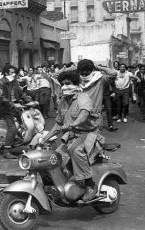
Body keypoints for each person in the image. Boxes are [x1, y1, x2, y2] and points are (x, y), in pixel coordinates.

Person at [47, 70, 105, 202]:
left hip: (88, 134)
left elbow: (84, 114)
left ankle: (90, 185)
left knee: (75, 150)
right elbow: (57, 124)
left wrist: (73, 124)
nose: (65, 87)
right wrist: (43, 139)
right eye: (62, 84)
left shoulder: (83, 97)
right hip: (72, 135)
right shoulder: (62, 101)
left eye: (68, 83)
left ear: (76, 84)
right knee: (55, 157)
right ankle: (67, 185)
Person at [0, 65, 32, 159]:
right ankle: (6, 151)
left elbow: (20, 93)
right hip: (5, 108)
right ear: (6, 73)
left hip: (15, 106)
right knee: (12, 128)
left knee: (23, 124)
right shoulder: (1, 83)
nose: (14, 74)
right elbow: (1, 97)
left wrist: (29, 100)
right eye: (11, 72)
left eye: (14, 72)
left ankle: (16, 142)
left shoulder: (14, 81)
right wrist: (12, 104)